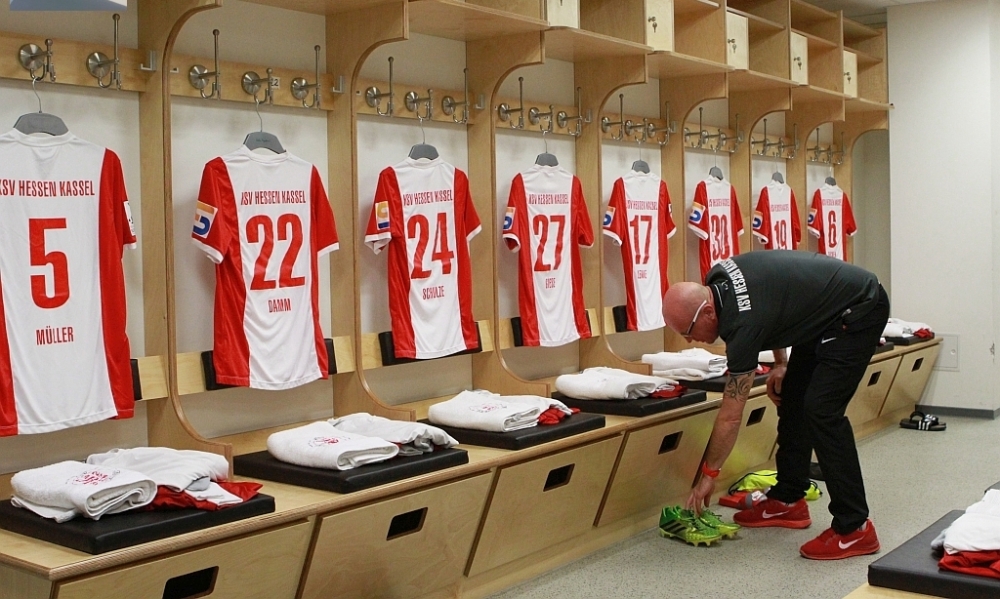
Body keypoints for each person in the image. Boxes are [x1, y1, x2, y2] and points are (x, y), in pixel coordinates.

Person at [662, 251, 890, 560]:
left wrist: (708, 477)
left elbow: (731, 416)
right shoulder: (718, 280)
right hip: (822, 314)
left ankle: (855, 528)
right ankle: (788, 499)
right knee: (793, 396)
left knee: (822, 410)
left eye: (687, 332)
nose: (689, 341)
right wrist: (781, 365)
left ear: (708, 313)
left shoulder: (741, 325)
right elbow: (775, 308)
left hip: (859, 308)